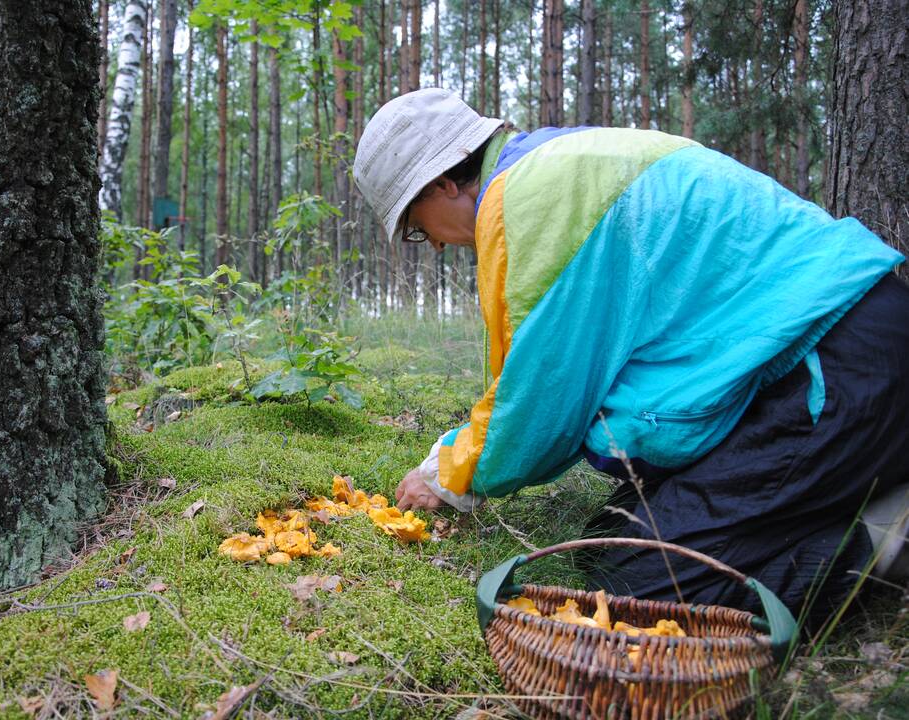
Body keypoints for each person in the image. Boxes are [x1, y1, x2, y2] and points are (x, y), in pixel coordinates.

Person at [352, 88, 909, 623]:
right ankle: (852, 494)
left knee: (630, 582)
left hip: (835, 370)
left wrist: (450, 473)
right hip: (833, 354)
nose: (439, 244)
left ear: (445, 182)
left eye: (417, 229)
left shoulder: (527, 200)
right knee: (608, 537)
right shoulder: (559, 161)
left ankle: (885, 535)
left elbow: (540, 403)